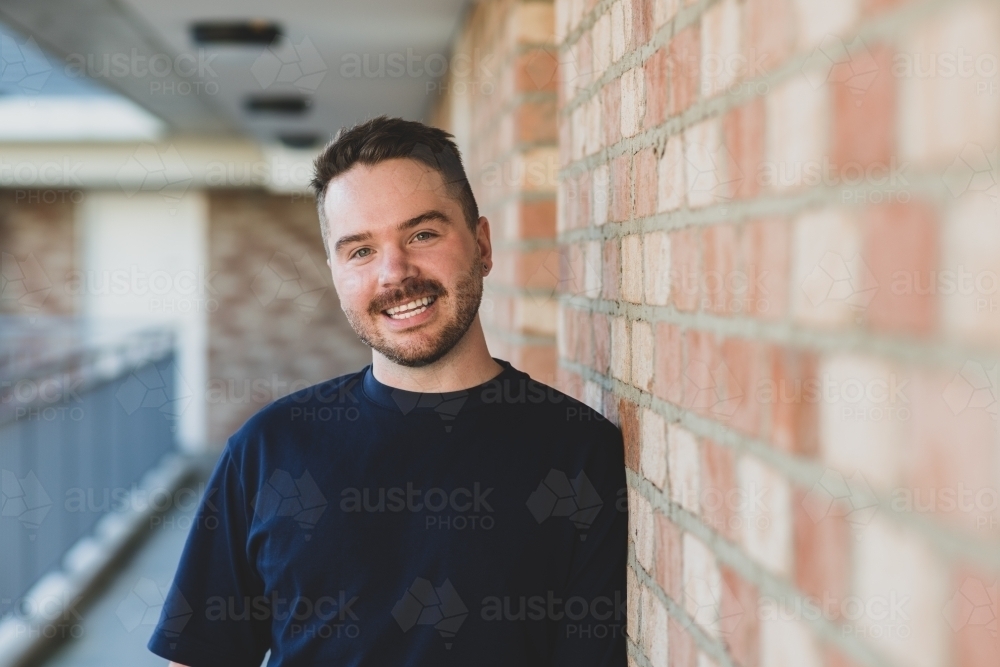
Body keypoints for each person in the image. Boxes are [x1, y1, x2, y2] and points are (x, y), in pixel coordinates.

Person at [147, 115, 627, 666]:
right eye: (360, 251)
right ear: (335, 273)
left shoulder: (576, 453)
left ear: (482, 245)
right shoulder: (268, 451)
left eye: (422, 234)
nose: (395, 274)